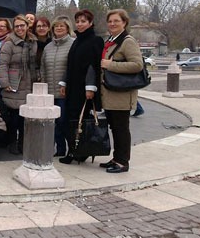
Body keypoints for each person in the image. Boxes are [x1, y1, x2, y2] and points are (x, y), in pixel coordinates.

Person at [99, 9, 143, 173]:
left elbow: (137, 65)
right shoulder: (111, 40)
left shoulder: (127, 41)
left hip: (122, 94)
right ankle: (117, 158)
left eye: (116, 21)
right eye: (110, 21)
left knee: (121, 128)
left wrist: (111, 65)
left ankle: (123, 162)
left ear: (124, 22)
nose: (112, 24)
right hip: (111, 93)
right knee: (115, 127)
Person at [59, 9, 104, 165]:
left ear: (90, 23)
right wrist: (63, 82)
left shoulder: (95, 40)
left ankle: (79, 151)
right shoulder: (76, 40)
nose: (80, 24)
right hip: (73, 87)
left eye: (83, 21)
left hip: (84, 89)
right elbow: (70, 64)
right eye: (77, 21)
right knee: (71, 121)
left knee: (80, 121)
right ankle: (74, 150)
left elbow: (93, 66)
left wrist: (90, 87)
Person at [0, 15, 37, 154]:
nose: (20, 28)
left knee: (24, 118)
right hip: (14, 84)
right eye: (17, 26)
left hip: (29, 83)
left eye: (22, 25)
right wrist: (5, 82)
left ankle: (23, 142)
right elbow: (2, 64)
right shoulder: (9, 43)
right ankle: (12, 142)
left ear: (27, 26)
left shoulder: (33, 42)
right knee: (14, 118)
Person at [40, 15, 75, 157]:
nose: (59, 28)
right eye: (56, 26)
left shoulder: (73, 44)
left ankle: (72, 148)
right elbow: (43, 66)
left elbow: (73, 67)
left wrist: (65, 82)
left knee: (63, 121)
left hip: (64, 91)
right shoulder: (48, 47)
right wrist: (42, 82)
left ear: (67, 28)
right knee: (53, 122)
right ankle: (59, 150)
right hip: (49, 91)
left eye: (62, 26)